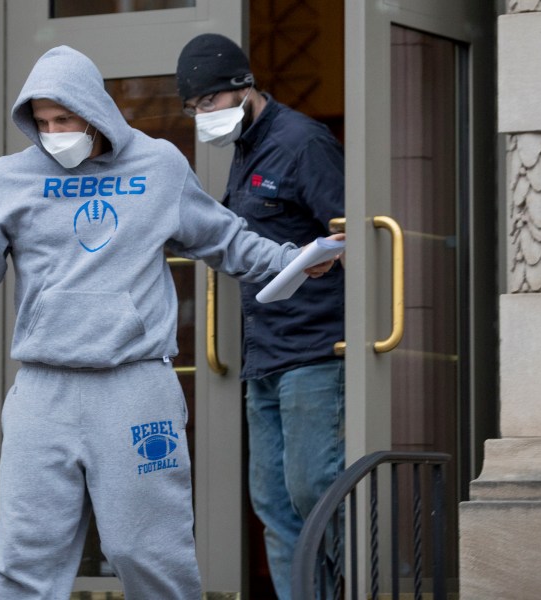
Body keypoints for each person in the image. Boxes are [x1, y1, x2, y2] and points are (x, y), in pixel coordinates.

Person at [0, 45, 337, 600]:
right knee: (23, 558)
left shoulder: (157, 166)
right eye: (42, 123)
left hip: (135, 387)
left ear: (95, 111)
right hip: (43, 390)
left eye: (64, 119)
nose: (53, 133)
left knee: (149, 552)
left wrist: (291, 260)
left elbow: (225, 238)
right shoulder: (9, 179)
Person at [176, 33, 346, 600]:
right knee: (274, 505)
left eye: (207, 105)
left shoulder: (303, 142)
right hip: (263, 354)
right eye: (192, 109)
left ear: (242, 89)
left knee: (314, 489)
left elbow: (348, 239)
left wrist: (317, 259)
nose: (202, 118)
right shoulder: (245, 149)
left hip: (315, 351)